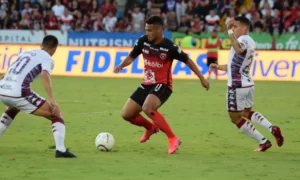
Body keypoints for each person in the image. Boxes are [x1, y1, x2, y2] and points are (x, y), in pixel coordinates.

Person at [114, 16, 209, 154]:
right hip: (147, 84)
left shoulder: (170, 47)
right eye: (146, 30)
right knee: (126, 114)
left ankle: (173, 138)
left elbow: (188, 61)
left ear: (159, 30)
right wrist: (121, 65)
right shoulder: (143, 41)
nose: (147, 33)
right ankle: (150, 128)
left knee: (147, 107)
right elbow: (131, 57)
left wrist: (202, 78)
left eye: (150, 30)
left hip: (163, 84)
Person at [209, 16, 284, 152]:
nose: (234, 29)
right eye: (233, 27)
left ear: (245, 28)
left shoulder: (244, 39)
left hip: (237, 86)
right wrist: (217, 66)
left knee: (235, 118)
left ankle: (263, 141)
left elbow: (238, 50)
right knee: (245, 113)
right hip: (247, 84)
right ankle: (272, 128)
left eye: (236, 26)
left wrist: (229, 31)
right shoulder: (246, 41)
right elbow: (234, 65)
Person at [0, 35, 76, 158]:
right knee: (56, 114)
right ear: (54, 49)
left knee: (12, 109)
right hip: (18, 92)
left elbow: (8, 72)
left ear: (42, 45)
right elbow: (45, 75)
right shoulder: (48, 58)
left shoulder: (26, 53)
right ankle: (60, 150)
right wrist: (53, 101)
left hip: (2, 89)